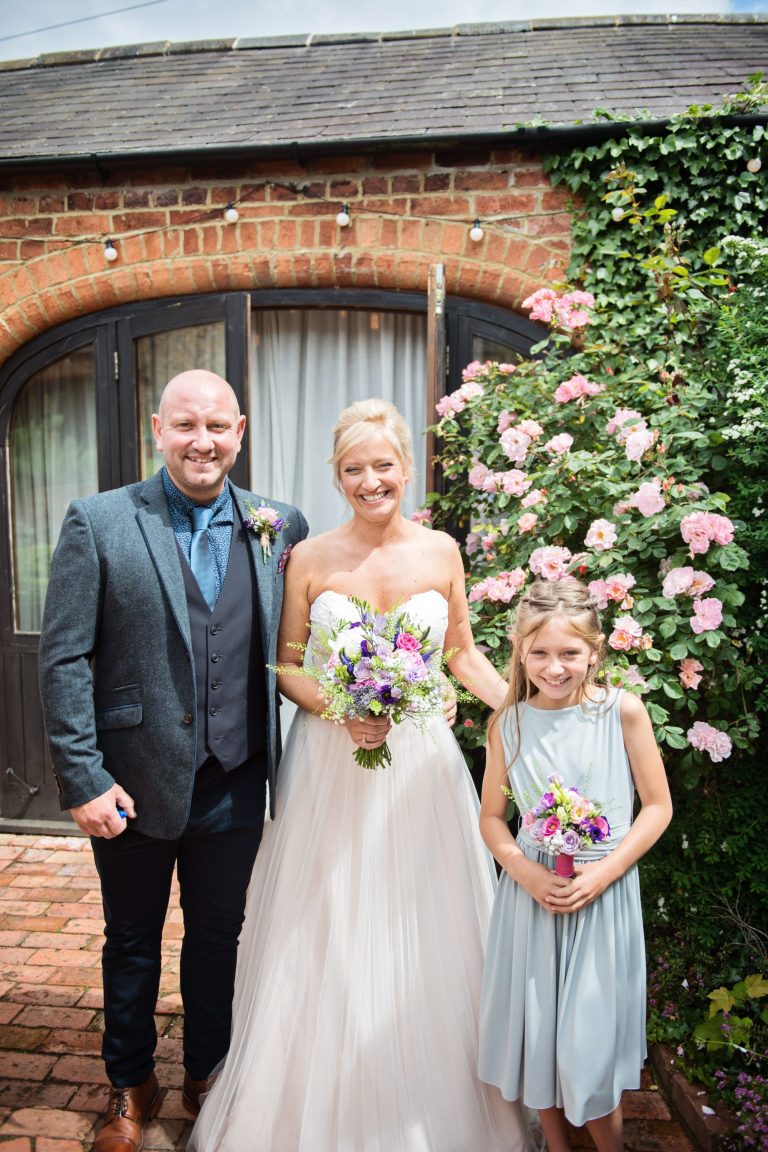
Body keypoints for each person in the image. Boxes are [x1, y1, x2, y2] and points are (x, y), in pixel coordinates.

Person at [188, 398, 532, 1151]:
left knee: (430, 920)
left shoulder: (442, 550)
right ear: (336, 475)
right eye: (354, 469)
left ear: (407, 468)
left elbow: (463, 655)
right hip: (332, 766)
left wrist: (528, 712)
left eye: (384, 466)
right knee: (330, 920)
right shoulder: (309, 557)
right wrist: (342, 706)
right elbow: (284, 664)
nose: (370, 481)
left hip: (421, 771)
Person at [38, 369, 308, 1152]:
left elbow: (301, 645)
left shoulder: (278, 525)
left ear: (241, 429)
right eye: (186, 425)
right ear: (157, 429)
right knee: (131, 938)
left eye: (218, 426)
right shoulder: (101, 520)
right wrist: (83, 778)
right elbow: (62, 661)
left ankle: (207, 1075)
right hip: (129, 782)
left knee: (219, 938)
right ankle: (130, 1084)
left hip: (236, 775)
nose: (203, 441)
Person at [477, 578, 673, 1152]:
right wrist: (524, 870)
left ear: (595, 652)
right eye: (539, 652)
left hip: (601, 895)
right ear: (519, 651)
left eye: (569, 653)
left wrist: (604, 871)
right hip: (532, 900)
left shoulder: (622, 713)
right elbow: (492, 818)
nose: (554, 667)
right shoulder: (507, 723)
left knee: (589, 1044)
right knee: (538, 1032)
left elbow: (657, 807)